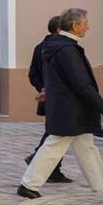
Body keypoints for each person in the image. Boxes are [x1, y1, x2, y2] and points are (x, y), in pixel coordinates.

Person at [19, 7, 103, 199]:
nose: (87, 27)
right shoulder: (67, 49)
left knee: (86, 147)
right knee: (54, 145)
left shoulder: (57, 46)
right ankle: (28, 184)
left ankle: (102, 187)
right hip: (70, 110)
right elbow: (81, 84)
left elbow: (56, 79)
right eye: (85, 23)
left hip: (69, 108)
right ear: (74, 25)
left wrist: (47, 92)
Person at [25, 15, 72, 183]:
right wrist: (44, 88)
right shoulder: (57, 48)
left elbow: (32, 74)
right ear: (60, 29)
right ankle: (38, 157)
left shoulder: (41, 47)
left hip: (51, 95)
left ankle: (53, 169)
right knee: (56, 132)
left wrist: (43, 87)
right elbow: (33, 74)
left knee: (56, 132)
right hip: (56, 97)